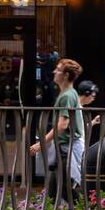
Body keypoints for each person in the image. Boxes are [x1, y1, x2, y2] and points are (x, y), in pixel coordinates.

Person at [28, 58, 84, 202]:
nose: (54, 71)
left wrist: (41, 143)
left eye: (58, 70)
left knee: (66, 189)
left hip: (66, 149)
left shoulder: (67, 96)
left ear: (66, 75)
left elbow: (62, 125)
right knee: (54, 191)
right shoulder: (69, 94)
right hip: (64, 148)